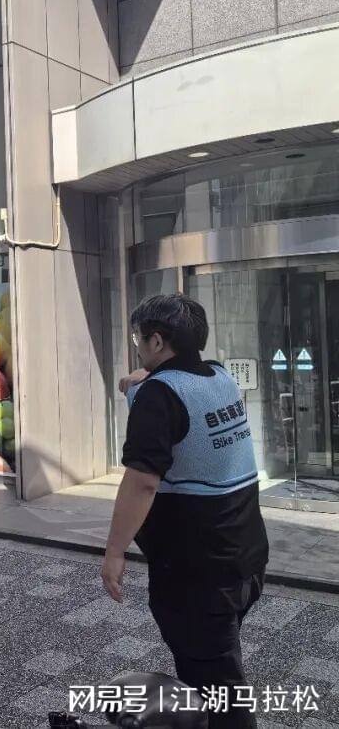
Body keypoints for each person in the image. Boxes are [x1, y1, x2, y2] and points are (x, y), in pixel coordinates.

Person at [102, 293, 268, 729]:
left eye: (139, 339)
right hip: (245, 558)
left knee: (218, 688)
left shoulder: (160, 396)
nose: (138, 347)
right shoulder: (219, 377)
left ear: (157, 341)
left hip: (199, 576)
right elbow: (173, 391)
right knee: (215, 663)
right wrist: (138, 381)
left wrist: (115, 551)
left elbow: (142, 481)